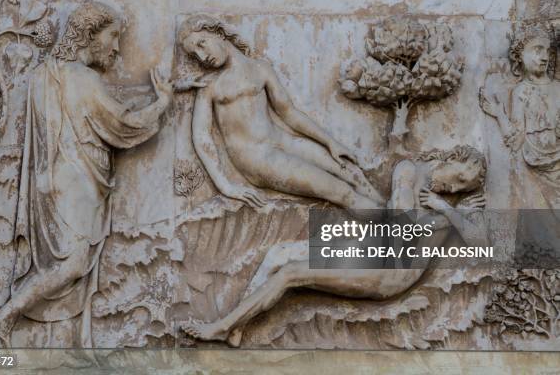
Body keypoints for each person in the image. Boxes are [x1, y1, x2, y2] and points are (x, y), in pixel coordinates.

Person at [0, 2, 172, 347]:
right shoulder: (82, 79)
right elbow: (124, 124)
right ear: (89, 36)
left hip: (56, 180)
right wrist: (162, 102)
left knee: (75, 265)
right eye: (112, 37)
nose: (115, 48)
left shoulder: (45, 73)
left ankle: (69, 340)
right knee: (74, 263)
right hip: (74, 180)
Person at [182, 145, 487, 346]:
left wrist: (445, 210)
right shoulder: (408, 171)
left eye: (464, 188)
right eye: (460, 178)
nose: (456, 189)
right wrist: (443, 217)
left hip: (393, 271)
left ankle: (222, 327)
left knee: (290, 274)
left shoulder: (449, 204)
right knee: (280, 253)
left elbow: (479, 241)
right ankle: (237, 327)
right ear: (450, 159)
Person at [178, 15, 384, 218]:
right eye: (195, 55)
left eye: (202, 44)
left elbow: (288, 112)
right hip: (259, 159)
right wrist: (226, 186)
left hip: (281, 140)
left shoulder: (260, 68)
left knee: (351, 171)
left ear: (218, 33)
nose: (202, 57)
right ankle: (402, 232)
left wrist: (330, 142)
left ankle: (402, 216)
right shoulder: (210, 85)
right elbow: (202, 136)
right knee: (341, 191)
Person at [480, 26, 559, 209]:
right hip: (534, 167)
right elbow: (516, 139)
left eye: (547, 51)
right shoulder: (520, 92)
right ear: (520, 56)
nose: (545, 57)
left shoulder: (558, 89)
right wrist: (499, 114)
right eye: (537, 50)